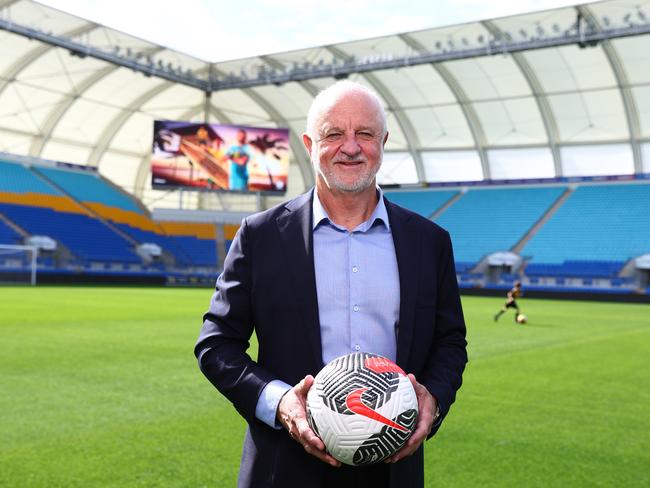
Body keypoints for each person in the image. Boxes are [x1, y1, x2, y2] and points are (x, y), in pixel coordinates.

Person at [195, 80, 468, 488]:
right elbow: (216, 345)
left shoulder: (429, 242)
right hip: (283, 468)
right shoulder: (261, 236)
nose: (351, 147)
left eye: (365, 134)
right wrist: (280, 402)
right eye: (334, 134)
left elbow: (450, 343)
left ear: (384, 141)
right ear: (309, 143)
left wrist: (433, 398)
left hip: (394, 469)